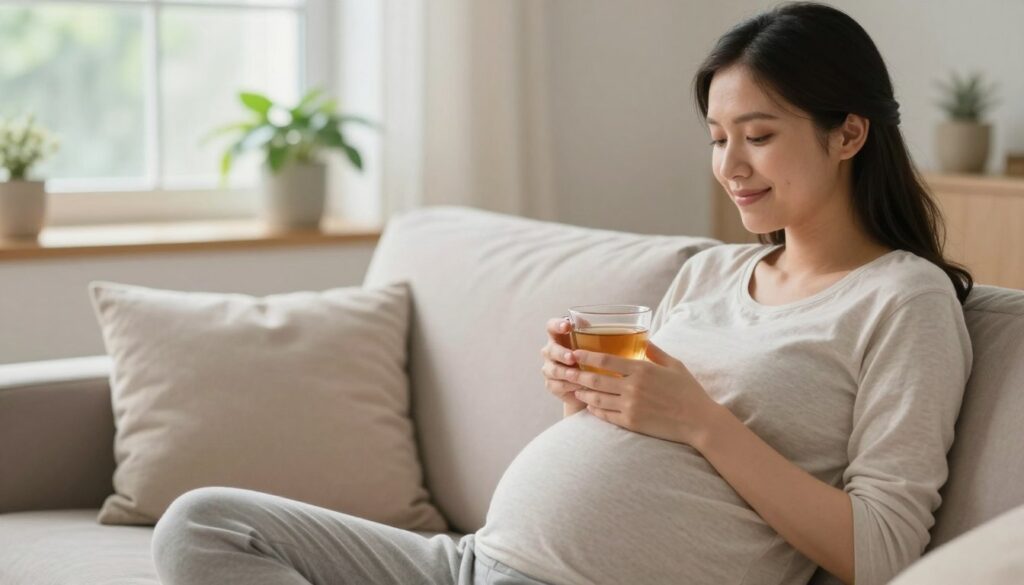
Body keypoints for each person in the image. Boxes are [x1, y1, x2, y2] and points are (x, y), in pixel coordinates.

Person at [151, 3, 973, 585]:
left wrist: (698, 417)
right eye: (717, 139)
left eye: (758, 136)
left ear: (850, 133)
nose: (729, 167)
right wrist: (591, 397)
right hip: (468, 562)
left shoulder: (903, 303)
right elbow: (641, 461)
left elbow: (887, 552)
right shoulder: (712, 272)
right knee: (204, 523)